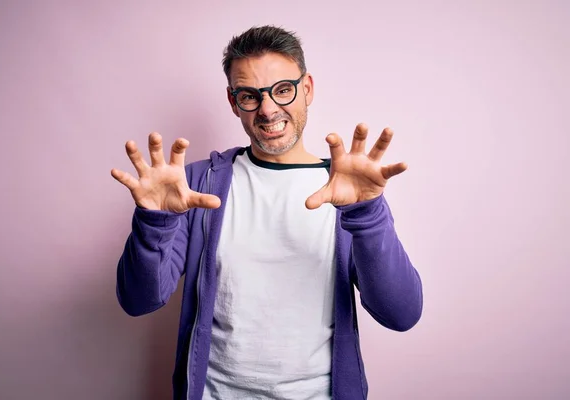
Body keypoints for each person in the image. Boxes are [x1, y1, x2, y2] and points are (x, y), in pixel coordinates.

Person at [111, 25, 423, 400]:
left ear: (306, 88)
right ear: (233, 101)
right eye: (249, 96)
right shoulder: (197, 184)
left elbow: (401, 314)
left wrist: (368, 212)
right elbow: (138, 300)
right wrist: (154, 222)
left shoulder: (346, 189)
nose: (268, 109)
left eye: (283, 90)